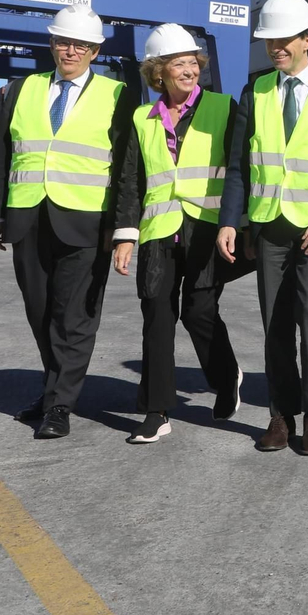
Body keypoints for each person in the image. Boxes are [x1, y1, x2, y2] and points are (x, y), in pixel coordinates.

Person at [0, 4, 137, 440]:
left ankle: (61, 404)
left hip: (87, 221)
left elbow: (126, 167)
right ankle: (53, 390)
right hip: (27, 216)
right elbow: (2, 153)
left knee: (74, 317)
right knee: (40, 312)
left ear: (95, 50)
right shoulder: (21, 89)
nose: (71, 50)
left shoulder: (118, 95)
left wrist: (124, 228)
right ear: (52, 44)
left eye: (81, 44)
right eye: (64, 41)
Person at [217, 0, 308, 456]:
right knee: (275, 321)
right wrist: (230, 222)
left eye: (283, 39)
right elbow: (240, 165)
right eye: (268, 40)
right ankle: (281, 414)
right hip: (269, 226)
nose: (275, 47)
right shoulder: (253, 91)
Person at [111, 23, 241, 445]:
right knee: (157, 317)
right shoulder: (140, 118)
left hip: (206, 229)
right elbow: (130, 180)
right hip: (158, 230)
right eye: (177, 64)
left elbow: (241, 170)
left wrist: (235, 223)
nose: (188, 71)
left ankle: (225, 379)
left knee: (199, 312)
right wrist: (125, 235)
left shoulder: (224, 107)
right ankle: (156, 410)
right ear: (158, 73)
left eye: (192, 63)